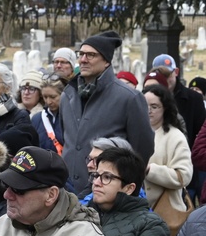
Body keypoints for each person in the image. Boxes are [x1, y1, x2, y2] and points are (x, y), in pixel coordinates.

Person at [60, 31, 155, 190]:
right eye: (81, 54)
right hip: (69, 190)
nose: (83, 59)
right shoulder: (67, 95)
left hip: (107, 192)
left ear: (106, 61)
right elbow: (67, 140)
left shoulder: (129, 98)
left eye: (91, 55)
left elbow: (142, 149)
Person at [143, 82, 193, 218]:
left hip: (165, 212)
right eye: (144, 105)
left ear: (165, 108)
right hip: (135, 210)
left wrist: (150, 170)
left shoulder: (175, 137)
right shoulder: (134, 131)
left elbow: (184, 176)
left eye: (154, 106)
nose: (148, 110)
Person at [151, 54, 206, 150]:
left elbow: (200, 134)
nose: (164, 79)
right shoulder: (148, 97)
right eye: (160, 76)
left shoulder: (194, 98)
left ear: (176, 72)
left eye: (167, 75)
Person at [33, 75, 65, 154]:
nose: (48, 102)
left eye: (53, 97)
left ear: (63, 94)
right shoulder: (36, 119)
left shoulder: (72, 117)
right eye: (45, 97)